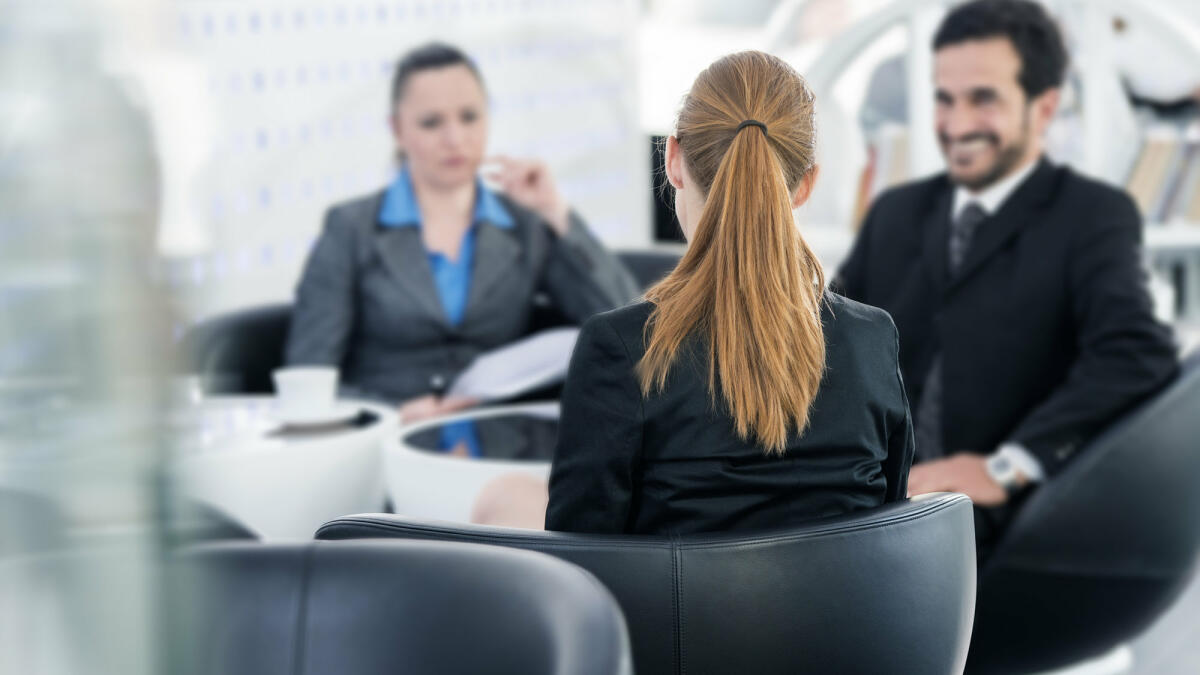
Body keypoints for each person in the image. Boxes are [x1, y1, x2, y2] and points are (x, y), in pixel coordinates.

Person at [833, 0, 1179, 557]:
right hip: (869, 496)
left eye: (983, 99)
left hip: (997, 521)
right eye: (944, 99)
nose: (956, 124)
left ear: (1043, 109)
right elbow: (830, 345)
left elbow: (1135, 352)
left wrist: (1006, 467)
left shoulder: (1092, 215)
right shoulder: (895, 213)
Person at [544, 51, 914, 536]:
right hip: (853, 614)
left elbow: (581, 557)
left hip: (670, 615)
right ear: (805, 185)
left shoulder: (621, 349)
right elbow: (890, 524)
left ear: (673, 160)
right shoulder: (871, 339)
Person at [285, 43, 639, 420]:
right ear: (397, 129)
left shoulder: (523, 224)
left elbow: (630, 324)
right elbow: (307, 378)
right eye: (431, 122)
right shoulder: (350, 228)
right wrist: (391, 415)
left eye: (469, 117)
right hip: (385, 442)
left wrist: (556, 211)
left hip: (497, 436)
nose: (455, 138)